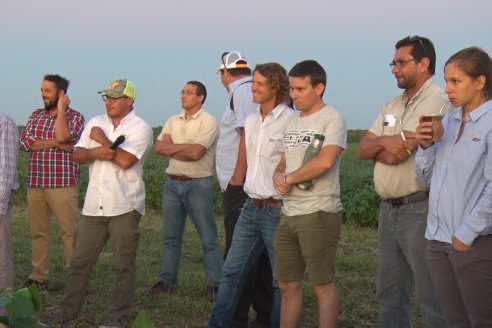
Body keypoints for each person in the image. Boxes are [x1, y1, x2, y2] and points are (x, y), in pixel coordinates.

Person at [42, 79, 153, 326]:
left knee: (123, 265)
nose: (109, 102)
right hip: (94, 205)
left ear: (129, 101)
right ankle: (67, 311)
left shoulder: (140, 128)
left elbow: (126, 161)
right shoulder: (95, 122)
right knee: (80, 262)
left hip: (125, 205)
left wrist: (102, 141)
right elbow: (78, 154)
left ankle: (117, 316)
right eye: (107, 97)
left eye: (114, 97)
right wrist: (97, 152)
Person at [356, 36, 447, 327]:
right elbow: (362, 149)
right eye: (393, 63)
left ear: (424, 64)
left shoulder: (439, 102)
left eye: (401, 62)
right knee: (389, 294)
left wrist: (383, 146)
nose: (394, 69)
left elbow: (397, 156)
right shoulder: (393, 105)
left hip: (420, 208)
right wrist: (388, 141)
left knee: (430, 297)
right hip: (388, 210)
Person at [209, 62, 293, 328]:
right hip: (250, 207)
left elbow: (290, 163)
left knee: (280, 280)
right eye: (253, 82)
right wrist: (235, 191)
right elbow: (243, 162)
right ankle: (219, 323)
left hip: (276, 210)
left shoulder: (292, 121)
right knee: (232, 272)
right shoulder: (251, 120)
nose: (252, 88)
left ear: (276, 87)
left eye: (258, 84)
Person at [415, 46, 492, 327]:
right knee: (454, 320)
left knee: (481, 319)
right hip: (437, 240)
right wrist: (425, 147)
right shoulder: (447, 121)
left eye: (456, 81)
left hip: (474, 243)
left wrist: (466, 235)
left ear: (480, 82)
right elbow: (425, 177)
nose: (447, 89)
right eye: (446, 80)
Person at [273, 60, 346, 328]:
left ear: (319, 88)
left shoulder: (332, 119)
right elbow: (284, 160)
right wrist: (278, 175)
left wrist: (289, 178)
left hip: (318, 212)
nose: (294, 95)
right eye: (292, 88)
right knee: (287, 284)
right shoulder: (292, 120)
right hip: (289, 211)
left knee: (322, 284)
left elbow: (325, 161)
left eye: (301, 89)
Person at [149, 81, 222, 299]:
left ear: (201, 98)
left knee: (208, 238)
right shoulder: (173, 120)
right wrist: (185, 147)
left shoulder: (208, 121)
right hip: (172, 183)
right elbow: (159, 147)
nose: (184, 96)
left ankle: (215, 285)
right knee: (170, 238)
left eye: (189, 93)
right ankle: (167, 281)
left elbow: (196, 154)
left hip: (197, 184)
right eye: (183, 92)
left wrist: (173, 148)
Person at [216, 51, 273, 326]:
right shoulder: (245, 90)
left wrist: (238, 179)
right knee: (259, 255)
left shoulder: (240, 91)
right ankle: (264, 312)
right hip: (247, 184)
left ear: (224, 73)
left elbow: (247, 136)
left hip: (241, 185)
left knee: (240, 254)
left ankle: (237, 316)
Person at [19, 74, 84, 288]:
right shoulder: (36, 115)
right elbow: (26, 143)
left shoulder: (75, 117)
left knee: (69, 232)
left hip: (63, 183)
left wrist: (62, 111)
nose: (42, 94)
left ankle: (74, 278)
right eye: (42, 90)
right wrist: (56, 144)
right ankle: (39, 275)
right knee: (39, 231)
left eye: (47, 91)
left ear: (61, 93)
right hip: (36, 182)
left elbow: (66, 137)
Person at [0, 113, 18, 322]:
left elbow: (5, 168)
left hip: (0, 198)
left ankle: (2, 312)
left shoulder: (3, 123)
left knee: (1, 255)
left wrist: (1, 204)